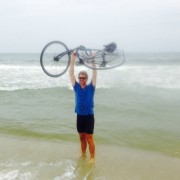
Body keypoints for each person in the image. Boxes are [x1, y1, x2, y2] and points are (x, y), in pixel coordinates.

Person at [69, 52, 97, 163]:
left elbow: (95, 74)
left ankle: (92, 158)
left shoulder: (91, 87)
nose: (81, 79)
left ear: (86, 79)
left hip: (89, 116)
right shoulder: (76, 87)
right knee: (81, 137)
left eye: (83, 78)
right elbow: (71, 73)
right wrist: (72, 59)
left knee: (89, 138)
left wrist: (93, 60)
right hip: (79, 116)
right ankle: (83, 154)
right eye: (80, 78)